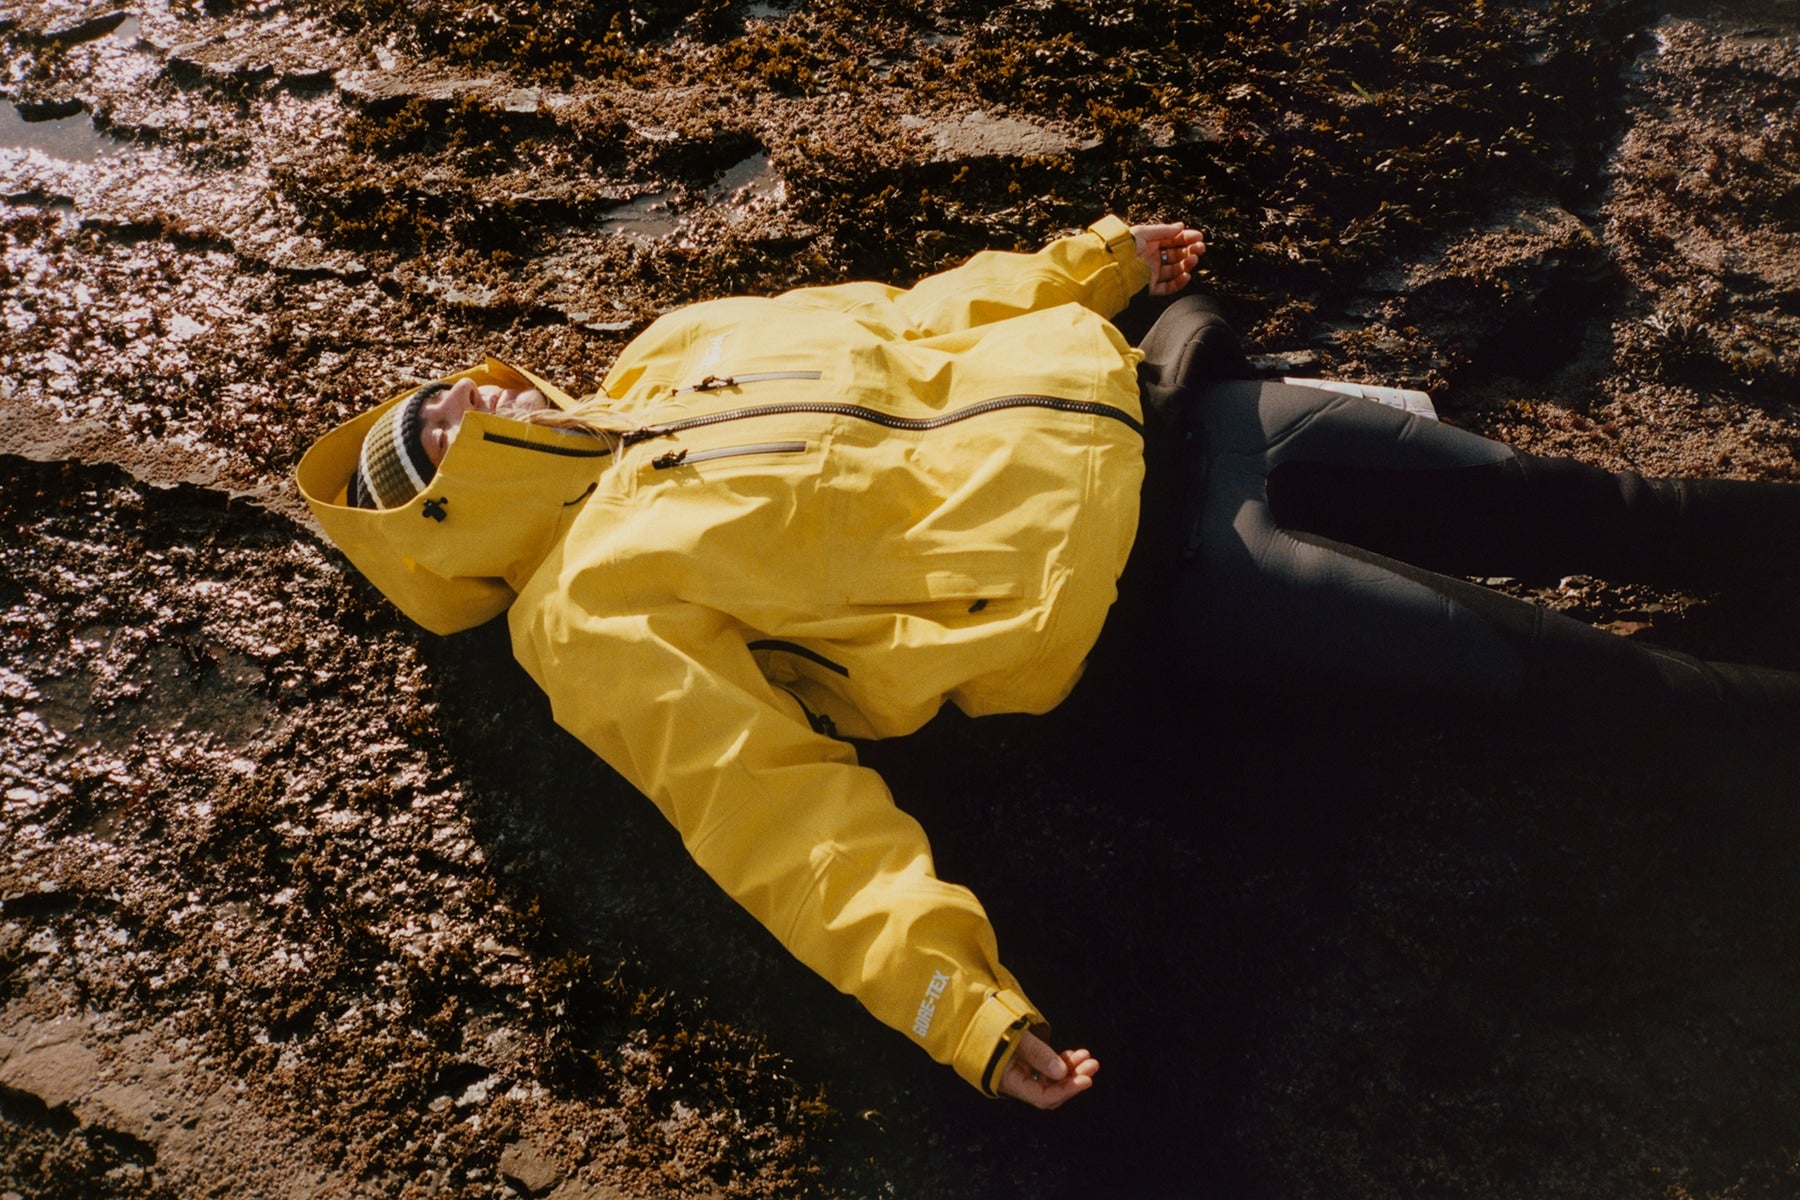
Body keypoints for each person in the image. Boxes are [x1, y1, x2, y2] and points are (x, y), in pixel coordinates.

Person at [296, 216, 1800, 1109]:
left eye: (427, 397)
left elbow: (916, 320)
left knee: (1593, 504)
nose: (447, 407)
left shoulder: (669, 348)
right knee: (1578, 681)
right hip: (1169, 586)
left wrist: (1089, 265)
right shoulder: (588, 613)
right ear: (437, 519)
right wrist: (954, 1005)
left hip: (1188, 415)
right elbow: (770, 816)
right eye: (416, 449)